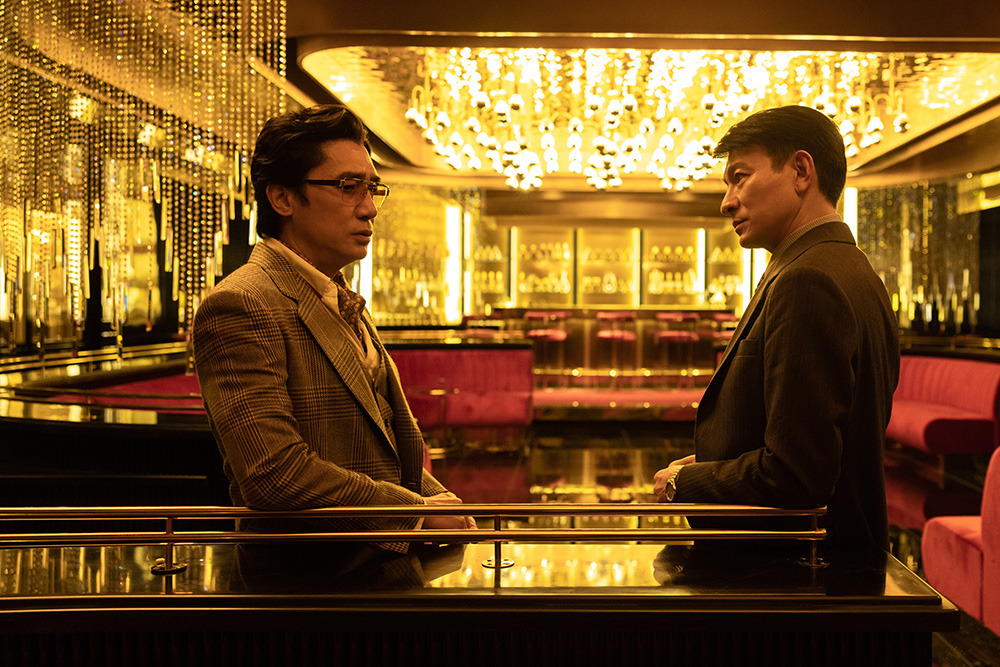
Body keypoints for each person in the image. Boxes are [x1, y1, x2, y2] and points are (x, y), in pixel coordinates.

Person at [193, 104, 474, 586]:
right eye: (348, 186)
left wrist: (435, 501)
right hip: (309, 587)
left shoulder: (335, 292)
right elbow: (273, 474)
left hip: (376, 570)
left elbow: (379, 441)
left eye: (372, 188)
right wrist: (416, 514)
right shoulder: (242, 302)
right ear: (282, 197)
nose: (369, 208)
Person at [653, 105, 900, 557]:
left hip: (800, 570)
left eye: (740, 177)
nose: (727, 201)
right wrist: (714, 462)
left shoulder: (808, 279)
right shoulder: (849, 265)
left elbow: (795, 475)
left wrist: (683, 482)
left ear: (801, 171)